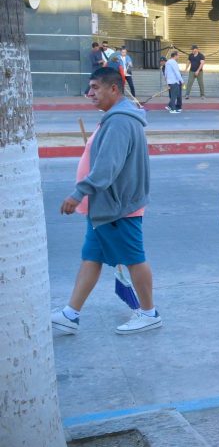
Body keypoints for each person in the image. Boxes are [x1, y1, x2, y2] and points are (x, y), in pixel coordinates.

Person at [51, 67, 161, 336]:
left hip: (118, 207)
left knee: (134, 259)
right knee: (91, 257)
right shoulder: (113, 118)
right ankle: (70, 314)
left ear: (114, 89)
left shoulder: (120, 121)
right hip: (103, 208)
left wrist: (78, 193)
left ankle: (149, 313)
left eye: (95, 88)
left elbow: (106, 168)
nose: (90, 94)